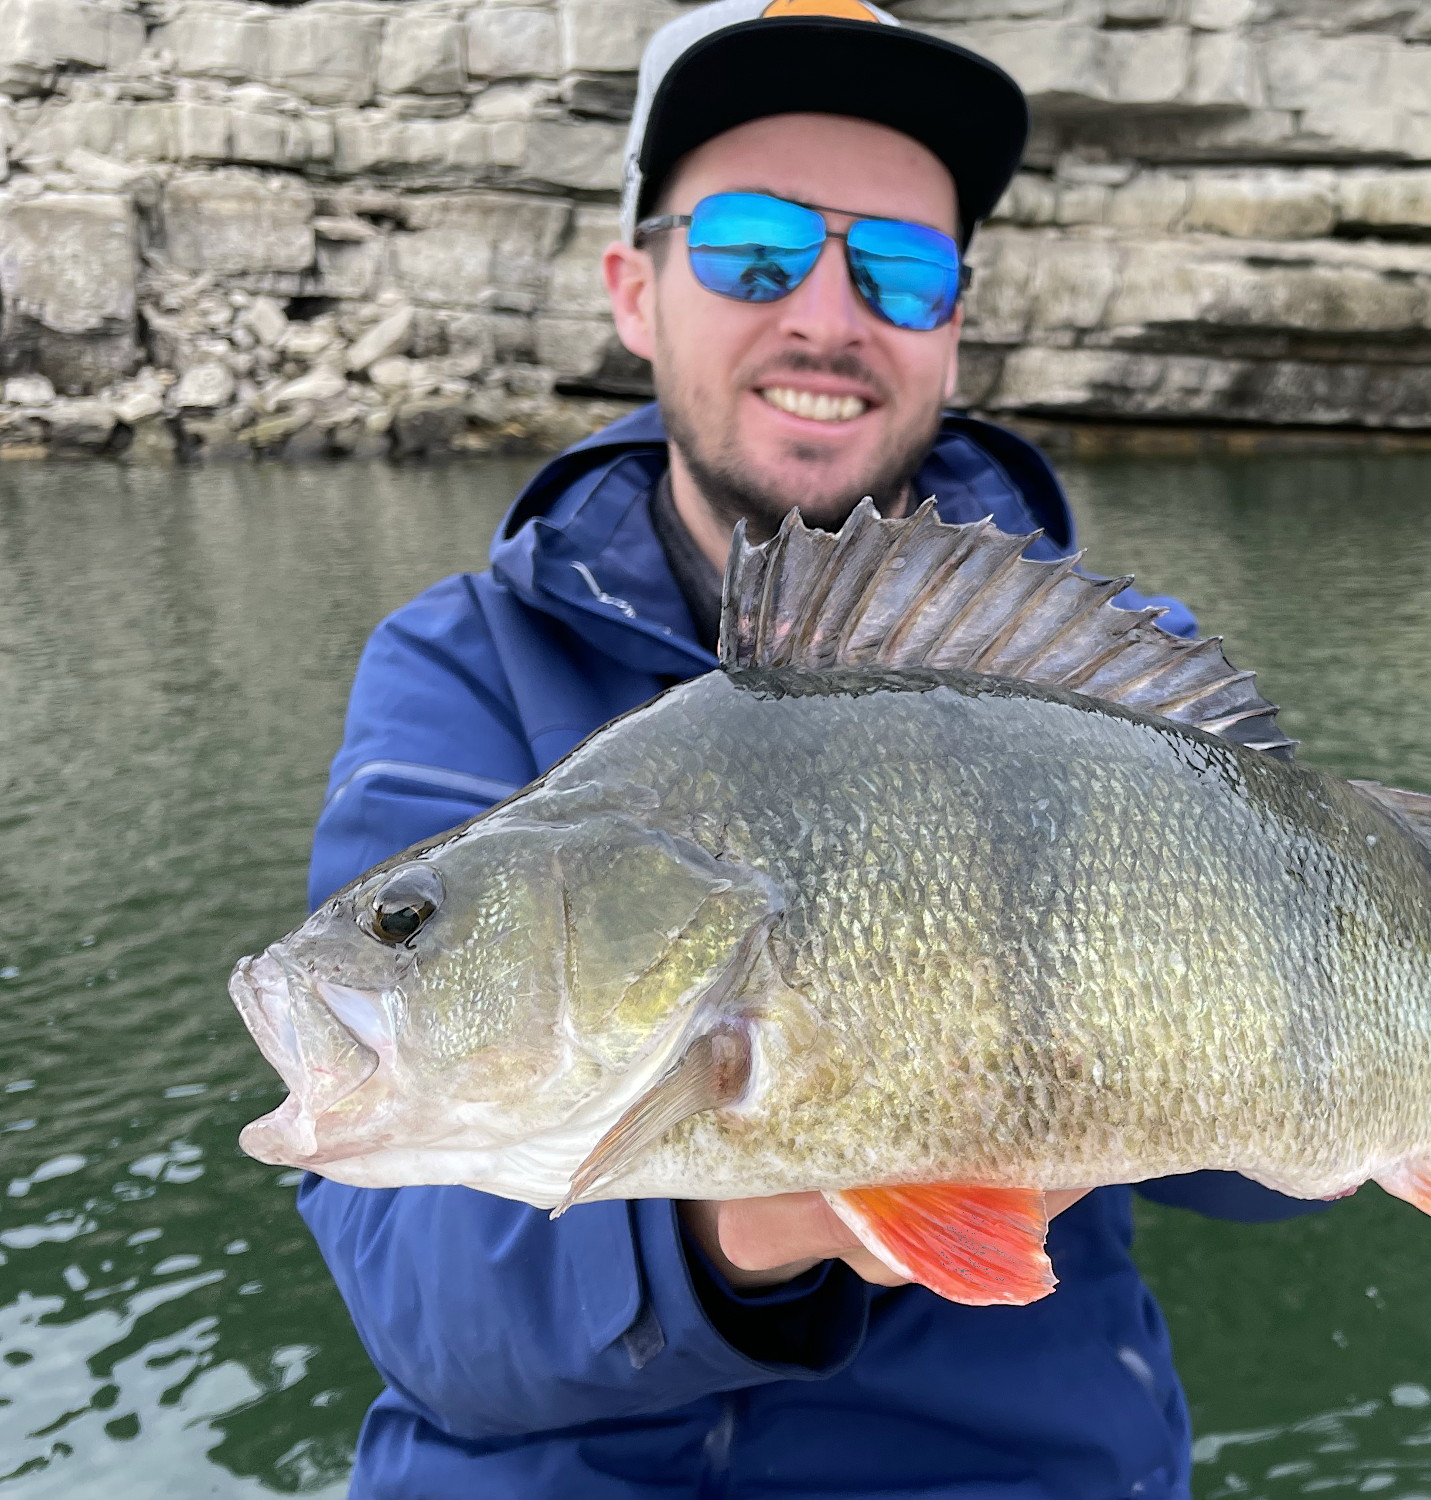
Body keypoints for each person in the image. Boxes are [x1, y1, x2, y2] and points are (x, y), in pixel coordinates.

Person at [300, 1, 1329, 1494]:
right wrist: (779, 1203)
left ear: (953, 323)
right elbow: (424, 1299)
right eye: (754, 251)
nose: (829, 316)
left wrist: (1230, 1041)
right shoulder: (458, 666)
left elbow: (1280, 1191)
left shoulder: (1111, 678)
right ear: (634, 288)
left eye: (900, 268)